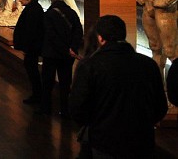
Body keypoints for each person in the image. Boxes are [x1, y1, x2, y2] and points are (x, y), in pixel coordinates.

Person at [69, 15, 167, 159]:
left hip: (104, 141)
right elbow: (160, 106)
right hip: (142, 141)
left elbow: (78, 108)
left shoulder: (90, 65)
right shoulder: (148, 64)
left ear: (100, 38)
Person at [38, 0, 83, 117]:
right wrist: (72, 48)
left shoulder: (49, 14)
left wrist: (64, 49)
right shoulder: (72, 12)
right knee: (65, 83)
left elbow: (51, 35)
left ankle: (46, 108)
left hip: (51, 54)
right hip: (67, 56)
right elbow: (78, 31)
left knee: (47, 82)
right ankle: (65, 109)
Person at [12, 0, 44, 105]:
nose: (19, 0)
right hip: (31, 48)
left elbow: (31, 31)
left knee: (33, 72)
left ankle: (37, 96)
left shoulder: (33, 10)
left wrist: (26, 47)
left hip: (32, 49)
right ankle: (36, 95)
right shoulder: (33, 8)